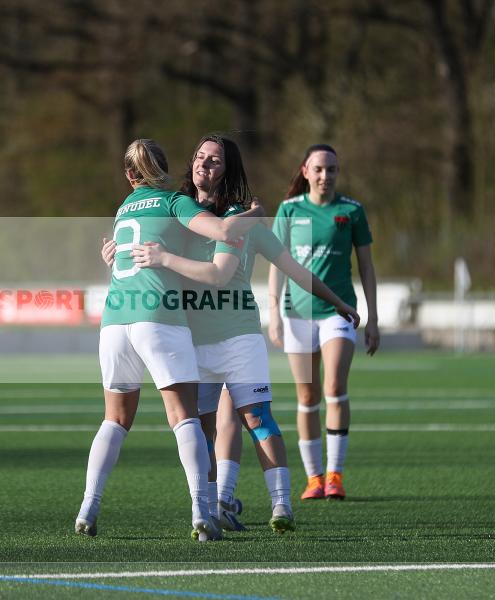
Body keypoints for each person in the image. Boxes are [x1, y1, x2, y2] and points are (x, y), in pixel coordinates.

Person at [124, 135, 359, 533]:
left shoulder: (241, 220)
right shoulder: (178, 211)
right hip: (193, 339)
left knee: (256, 416)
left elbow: (294, 269)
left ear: (226, 170)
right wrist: (114, 252)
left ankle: (282, 505)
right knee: (200, 427)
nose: (204, 165)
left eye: (214, 160)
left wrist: (338, 302)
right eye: (199, 156)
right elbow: (140, 242)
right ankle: (213, 506)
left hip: (239, 337)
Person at [75, 138, 265, 542]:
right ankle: (202, 512)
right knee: (185, 418)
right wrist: (254, 216)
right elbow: (224, 230)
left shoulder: (123, 209)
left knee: (114, 420)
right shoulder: (174, 202)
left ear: (129, 176)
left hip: (114, 321)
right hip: (158, 318)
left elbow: (126, 258)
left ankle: (88, 507)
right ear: (166, 168)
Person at [268, 144, 379, 501]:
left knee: (333, 386)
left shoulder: (352, 211)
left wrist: (372, 318)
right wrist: (273, 313)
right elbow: (276, 263)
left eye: (331, 169)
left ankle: (335, 475)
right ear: (305, 171)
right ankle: (313, 478)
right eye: (318, 169)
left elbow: (366, 266)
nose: (325, 176)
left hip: (338, 312)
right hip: (297, 314)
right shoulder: (289, 210)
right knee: (307, 394)